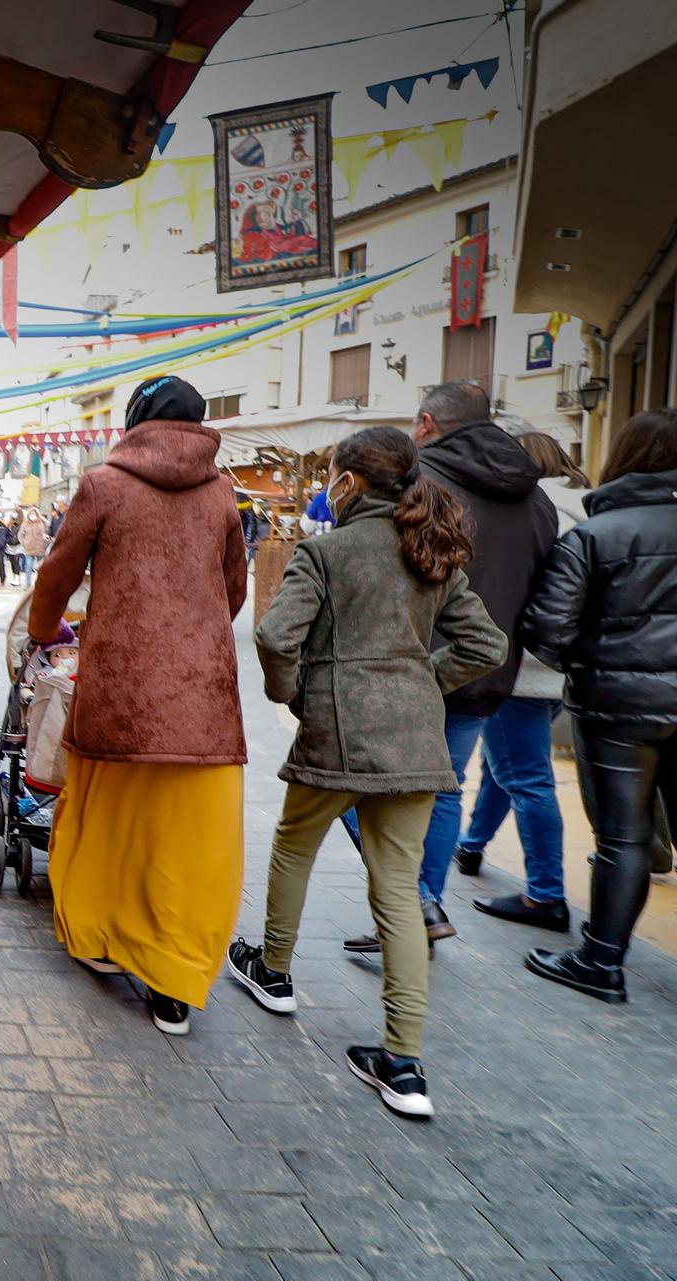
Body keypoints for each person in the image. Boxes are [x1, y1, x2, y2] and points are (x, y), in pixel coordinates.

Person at [229, 428, 505, 1119]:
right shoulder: (432, 551)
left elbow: (273, 636)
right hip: (415, 742)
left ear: (348, 482)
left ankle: (275, 970)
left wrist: (289, 692)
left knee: (296, 843)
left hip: (336, 734)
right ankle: (403, 1064)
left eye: (331, 474)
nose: (328, 483)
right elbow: (487, 645)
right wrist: (424, 682)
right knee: (398, 890)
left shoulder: (324, 552)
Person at [29, 376, 248, 1036]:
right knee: (187, 842)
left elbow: (58, 574)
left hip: (121, 689)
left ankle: (99, 936)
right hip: (204, 703)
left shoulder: (105, 484)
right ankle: (174, 981)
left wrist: (44, 633)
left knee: (109, 821)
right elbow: (233, 589)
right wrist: (195, 634)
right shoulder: (221, 493)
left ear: (134, 421)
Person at [520, 409, 677, 1007]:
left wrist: (600, 662)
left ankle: (601, 962)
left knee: (623, 839)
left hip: (617, 710)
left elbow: (546, 631)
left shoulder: (596, 536)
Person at [341, 381, 557, 955]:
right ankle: (418, 918)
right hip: (485, 669)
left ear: (428, 422)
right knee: (441, 791)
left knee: (346, 783)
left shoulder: (417, 481)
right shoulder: (537, 500)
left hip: (403, 665)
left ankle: (413, 903)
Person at [456, 432, 589, 930]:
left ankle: (545, 895)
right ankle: (472, 846)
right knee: (504, 761)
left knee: (526, 776)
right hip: (559, 666)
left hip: (521, 664)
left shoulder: (530, 507)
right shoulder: (584, 506)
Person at [16, 507, 49, 588]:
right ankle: (28, 585)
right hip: (29, 548)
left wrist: (41, 517)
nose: (32, 516)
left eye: (34, 514)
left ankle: (40, 584)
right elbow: (20, 535)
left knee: (41, 568)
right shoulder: (25, 523)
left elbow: (48, 525)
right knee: (28, 566)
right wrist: (24, 543)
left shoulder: (41, 522)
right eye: (31, 514)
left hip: (40, 548)